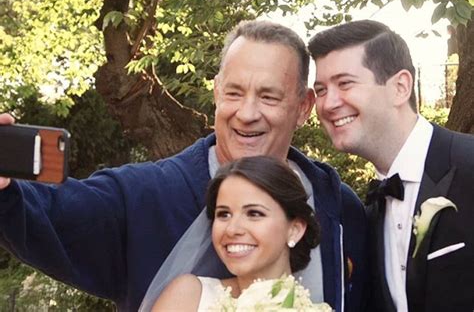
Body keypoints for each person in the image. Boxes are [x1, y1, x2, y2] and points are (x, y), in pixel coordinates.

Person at [0, 20, 367, 312]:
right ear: (216, 92)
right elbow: (48, 214)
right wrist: (5, 192)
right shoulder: (144, 195)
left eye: (268, 96)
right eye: (234, 92)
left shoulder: (339, 206)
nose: (247, 113)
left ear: (304, 107)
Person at [308, 19, 474, 312]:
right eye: (321, 90)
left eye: (344, 83)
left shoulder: (469, 164)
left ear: (400, 87)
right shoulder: (369, 212)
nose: (328, 103)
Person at [151, 155, 320, 310]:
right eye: (223, 214)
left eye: (254, 213)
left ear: (295, 230)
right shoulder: (190, 296)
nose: (232, 229)